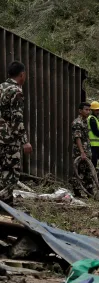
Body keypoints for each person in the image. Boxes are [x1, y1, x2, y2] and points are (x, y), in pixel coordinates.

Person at [0, 61, 32, 206]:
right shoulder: (16, 91)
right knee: (11, 172)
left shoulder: (1, 87)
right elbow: (17, 119)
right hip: (9, 139)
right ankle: (5, 204)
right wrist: (25, 141)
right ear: (22, 75)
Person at [71, 102, 94, 197]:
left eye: (89, 110)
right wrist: (82, 152)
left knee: (88, 171)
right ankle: (77, 192)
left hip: (86, 151)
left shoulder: (85, 121)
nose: (88, 112)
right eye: (86, 110)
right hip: (80, 152)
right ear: (80, 111)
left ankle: (90, 192)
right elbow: (77, 138)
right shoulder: (77, 122)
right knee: (79, 171)